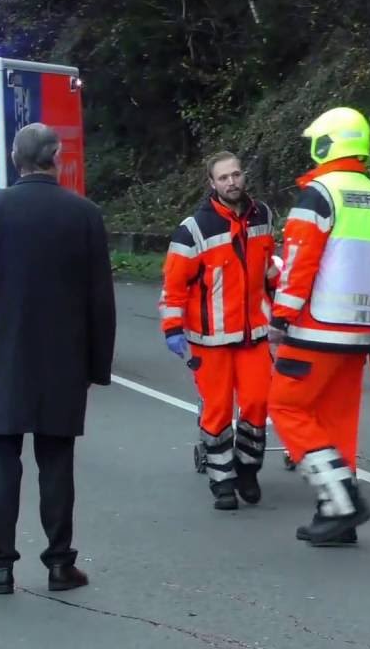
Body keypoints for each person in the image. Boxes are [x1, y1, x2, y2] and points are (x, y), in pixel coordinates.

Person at [0, 122, 116, 594]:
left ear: (14, 158)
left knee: (0, 464)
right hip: (63, 360)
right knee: (57, 462)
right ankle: (61, 564)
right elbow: (99, 299)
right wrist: (94, 365)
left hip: (2, 356)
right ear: (55, 158)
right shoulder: (84, 214)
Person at [267, 106, 370, 546]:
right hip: (360, 332)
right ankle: (336, 515)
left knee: (286, 407)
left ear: (328, 143)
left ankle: (341, 501)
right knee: (337, 419)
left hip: (316, 327)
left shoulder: (320, 194)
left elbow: (299, 263)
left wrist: (281, 315)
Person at [159, 151, 277, 510]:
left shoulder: (264, 216)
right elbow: (174, 286)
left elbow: (268, 268)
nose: (232, 182)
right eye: (223, 177)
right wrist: (172, 328)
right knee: (218, 411)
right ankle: (222, 481)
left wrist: (285, 305)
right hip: (209, 340)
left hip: (254, 334)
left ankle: (247, 469)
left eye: (236, 174)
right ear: (212, 183)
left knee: (258, 404)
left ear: (244, 176)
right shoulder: (193, 229)